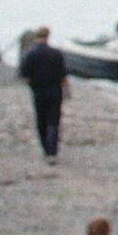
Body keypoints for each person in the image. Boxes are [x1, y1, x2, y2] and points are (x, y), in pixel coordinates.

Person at [16, 26, 70, 164]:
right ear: (48, 36)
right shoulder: (56, 53)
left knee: (41, 121)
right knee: (54, 121)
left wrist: (33, 85)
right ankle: (53, 152)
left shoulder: (30, 53)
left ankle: (46, 150)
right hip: (54, 90)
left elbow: (24, 76)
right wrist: (68, 90)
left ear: (36, 37)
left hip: (38, 91)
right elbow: (63, 75)